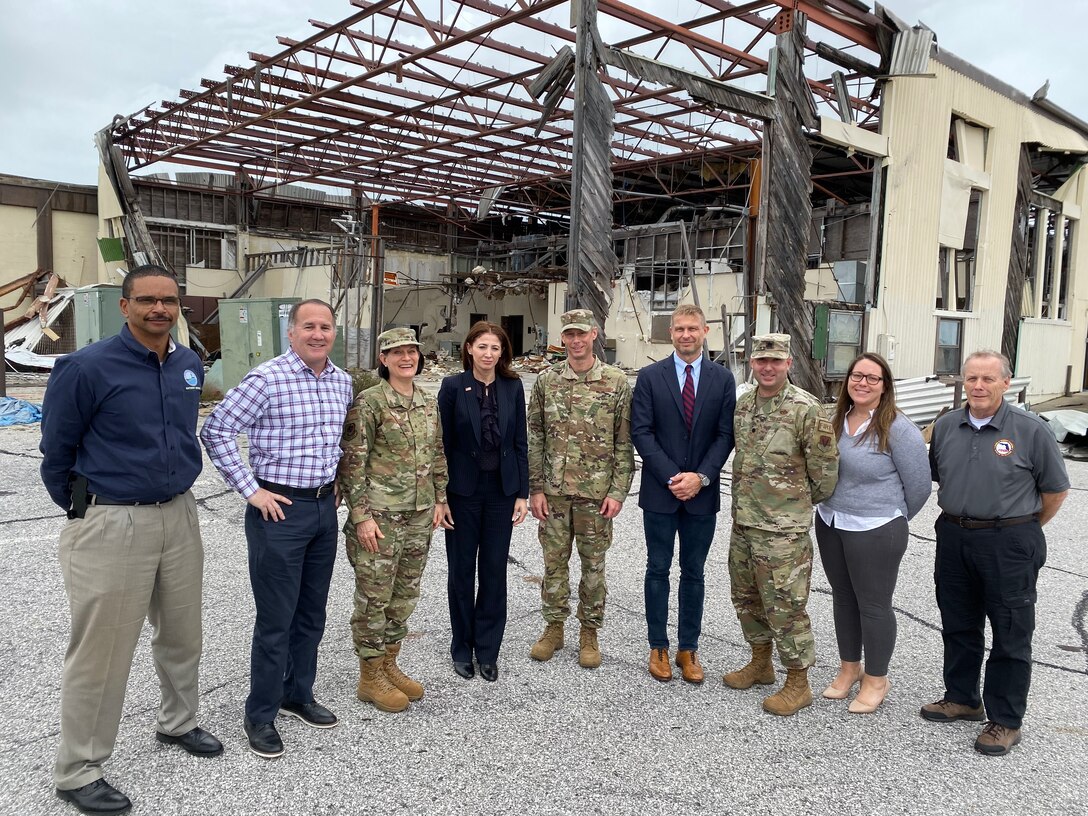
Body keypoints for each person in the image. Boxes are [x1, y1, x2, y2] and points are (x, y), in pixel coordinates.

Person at [40, 265, 221, 815]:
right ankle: (78, 769)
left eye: (168, 300)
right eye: (146, 301)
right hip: (114, 521)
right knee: (103, 652)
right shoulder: (86, 368)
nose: (159, 309)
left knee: (183, 634)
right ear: (125, 307)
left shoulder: (189, 365)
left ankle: (178, 721)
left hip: (179, 515)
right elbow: (56, 452)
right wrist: (88, 512)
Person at [200, 299, 353, 759]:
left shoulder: (342, 382)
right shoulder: (267, 380)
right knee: (276, 620)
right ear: (291, 333)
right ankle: (261, 712)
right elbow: (217, 431)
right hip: (279, 511)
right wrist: (251, 491)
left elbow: (337, 440)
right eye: (309, 326)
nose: (318, 334)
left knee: (312, 614)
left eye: (325, 327)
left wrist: (337, 481)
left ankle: (297, 694)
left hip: (324, 510)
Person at [923, 350, 1068, 756]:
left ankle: (1004, 720)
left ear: (1007, 383)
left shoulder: (1030, 430)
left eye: (988, 379)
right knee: (958, 621)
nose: (978, 386)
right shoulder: (948, 425)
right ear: (963, 382)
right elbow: (938, 475)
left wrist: (1022, 530)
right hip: (954, 536)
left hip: (1009, 541)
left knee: (1010, 632)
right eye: (971, 379)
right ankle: (963, 698)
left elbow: (1055, 490)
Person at [723, 333, 838, 715]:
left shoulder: (806, 409)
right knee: (746, 598)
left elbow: (824, 474)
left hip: (783, 532)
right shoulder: (743, 406)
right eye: (761, 361)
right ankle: (761, 663)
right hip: (745, 523)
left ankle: (798, 681)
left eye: (776, 361)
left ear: (789, 364)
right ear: (752, 364)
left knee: (785, 606)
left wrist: (792, 506)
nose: (768, 368)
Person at [338, 327, 452, 712]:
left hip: (419, 514)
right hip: (380, 516)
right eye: (397, 352)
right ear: (383, 360)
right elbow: (352, 463)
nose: (407, 358)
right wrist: (361, 518)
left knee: (404, 595)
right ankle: (370, 676)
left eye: (412, 352)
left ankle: (389, 662)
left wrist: (439, 499)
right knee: (374, 597)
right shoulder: (369, 403)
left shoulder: (427, 400)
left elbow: (437, 453)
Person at [814, 353, 931, 713]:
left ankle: (877, 679)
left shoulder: (898, 428)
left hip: (876, 528)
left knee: (874, 604)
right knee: (843, 597)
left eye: (872, 378)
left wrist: (892, 516)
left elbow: (920, 486)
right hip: (832, 521)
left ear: (885, 386)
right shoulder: (836, 419)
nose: (862, 383)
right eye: (857, 376)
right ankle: (850, 668)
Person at [631, 304, 735, 683]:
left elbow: (726, 435)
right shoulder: (650, 377)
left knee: (694, 572)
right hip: (661, 493)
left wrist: (702, 477)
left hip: (702, 497)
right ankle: (657, 644)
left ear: (705, 331)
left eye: (693, 328)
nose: (686, 335)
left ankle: (688, 648)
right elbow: (641, 432)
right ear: (670, 333)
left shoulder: (723, 379)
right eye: (679, 329)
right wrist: (675, 476)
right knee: (657, 569)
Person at [527, 308, 635, 669]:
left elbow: (624, 442)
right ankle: (554, 627)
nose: (575, 341)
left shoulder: (616, 382)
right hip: (554, 493)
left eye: (582, 334)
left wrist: (618, 491)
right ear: (563, 339)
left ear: (594, 335)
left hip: (596, 493)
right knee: (553, 563)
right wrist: (536, 489)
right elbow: (535, 435)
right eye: (569, 334)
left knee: (593, 566)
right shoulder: (547, 381)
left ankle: (589, 632)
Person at [438, 321, 529, 682]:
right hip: (462, 492)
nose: (489, 354)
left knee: (494, 571)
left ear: (502, 353)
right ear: (470, 349)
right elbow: (440, 446)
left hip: (500, 492)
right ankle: (462, 647)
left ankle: (488, 650)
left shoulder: (513, 386)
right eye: (482, 347)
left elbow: (520, 441)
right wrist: (440, 496)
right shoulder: (451, 387)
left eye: (495, 348)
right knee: (461, 572)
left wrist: (522, 492)